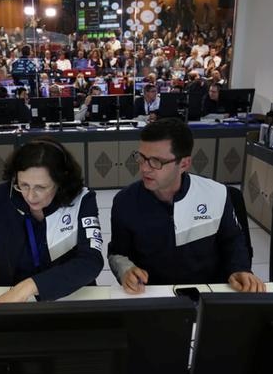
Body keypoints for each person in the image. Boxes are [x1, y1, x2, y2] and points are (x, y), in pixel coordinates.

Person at [0, 137, 104, 304]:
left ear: (61, 181)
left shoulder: (82, 200)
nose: (30, 196)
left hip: (68, 296)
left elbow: (90, 261)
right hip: (10, 298)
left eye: (41, 187)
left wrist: (28, 287)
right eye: (23, 185)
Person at [108, 118, 264, 293]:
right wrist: (126, 270)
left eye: (156, 161)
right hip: (152, 293)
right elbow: (118, 253)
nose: (144, 168)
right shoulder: (125, 202)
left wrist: (239, 268)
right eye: (141, 157)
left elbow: (233, 241)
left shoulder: (216, 194)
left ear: (183, 164)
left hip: (207, 292)